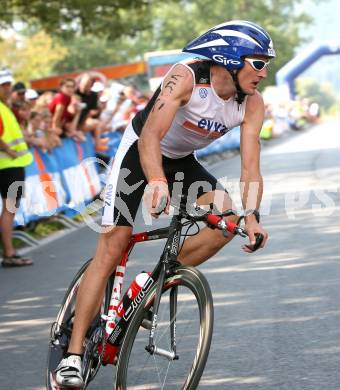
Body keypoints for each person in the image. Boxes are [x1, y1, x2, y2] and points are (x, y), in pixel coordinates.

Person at [55, 20, 274, 387]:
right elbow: (151, 136)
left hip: (182, 161)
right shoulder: (185, 77)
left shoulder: (251, 104)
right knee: (112, 247)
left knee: (226, 221)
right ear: (229, 58)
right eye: (258, 63)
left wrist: (251, 218)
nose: (264, 73)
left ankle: (153, 287)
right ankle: (73, 356)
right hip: (139, 151)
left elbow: (250, 166)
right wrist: (156, 181)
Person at [0, 69, 33, 267]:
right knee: (9, 208)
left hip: (11, 165)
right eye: (3, 85)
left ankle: (9, 251)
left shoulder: (5, 106)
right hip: (8, 165)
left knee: (9, 208)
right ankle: (9, 253)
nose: (7, 88)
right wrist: (10, 152)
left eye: (8, 85)